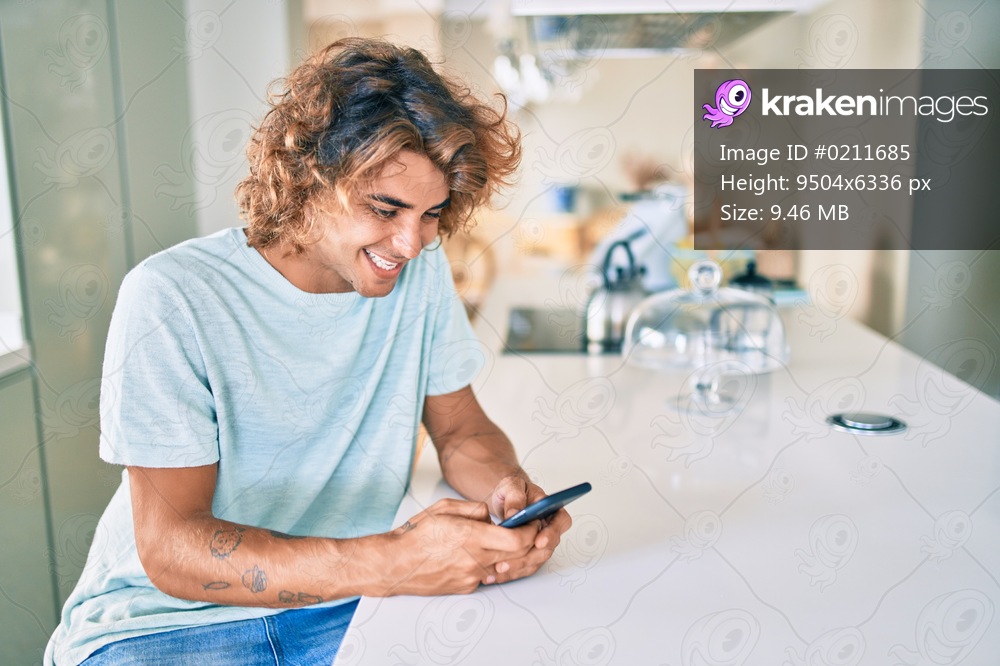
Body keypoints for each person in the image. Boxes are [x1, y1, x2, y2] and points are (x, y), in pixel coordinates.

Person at [45, 37, 571, 665]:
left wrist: (507, 496)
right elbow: (174, 550)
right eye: (386, 208)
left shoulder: (418, 275)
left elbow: (460, 431)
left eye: (431, 214)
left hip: (342, 606)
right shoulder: (173, 295)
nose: (411, 243)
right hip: (163, 626)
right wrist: (393, 561)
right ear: (310, 177)